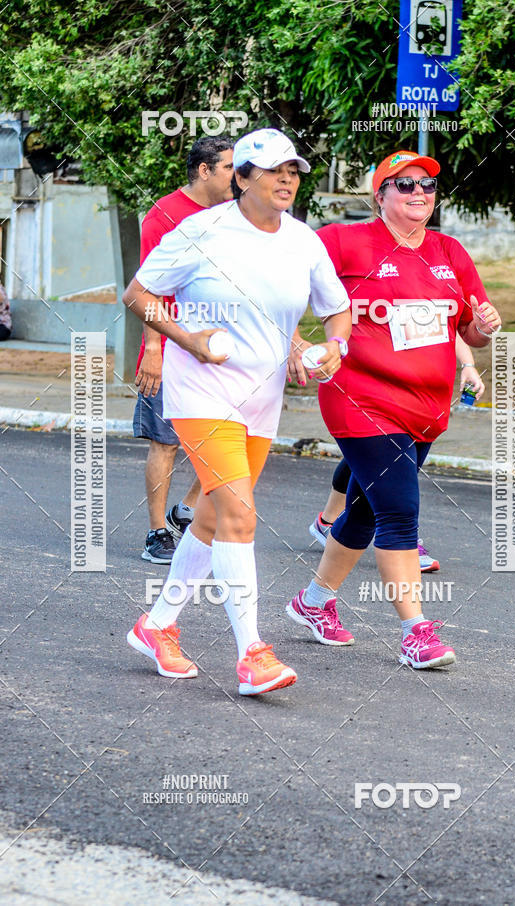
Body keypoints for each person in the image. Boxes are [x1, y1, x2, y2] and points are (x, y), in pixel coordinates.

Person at [123, 128, 351, 694]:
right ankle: (252, 652)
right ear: (241, 178)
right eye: (274, 171)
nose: (287, 180)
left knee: (212, 517)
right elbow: (138, 294)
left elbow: (338, 311)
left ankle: (157, 626)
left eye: (293, 171)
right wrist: (188, 339)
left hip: (262, 396)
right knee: (240, 515)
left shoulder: (303, 241)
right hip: (200, 390)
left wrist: (331, 350)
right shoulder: (201, 231)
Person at [286, 149, 501, 664]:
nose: (418, 194)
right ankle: (416, 633)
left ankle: (313, 602)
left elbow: (467, 328)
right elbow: (279, 294)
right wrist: (297, 347)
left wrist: (483, 330)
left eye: (426, 186)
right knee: (400, 514)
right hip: (359, 398)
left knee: (362, 512)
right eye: (404, 186)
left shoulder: (449, 252)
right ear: (379, 194)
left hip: (426, 408)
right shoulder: (342, 241)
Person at [133, 137, 234, 564]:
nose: (238, 176)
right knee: (166, 442)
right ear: (205, 170)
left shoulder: (232, 215)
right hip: (171, 347)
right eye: (229, 167)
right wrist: (153, 347)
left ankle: (188, 509)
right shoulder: (165, 214)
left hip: (217, 348)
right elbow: (147, 288)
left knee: (225, 436)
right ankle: (157, 532)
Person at [304, 335, 486, 572]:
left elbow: (447, 324)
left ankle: (327, 528)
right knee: (388, 461)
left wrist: (468, 365)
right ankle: (403, 541)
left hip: (415, 385)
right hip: (368, 381)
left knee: (371, 461)